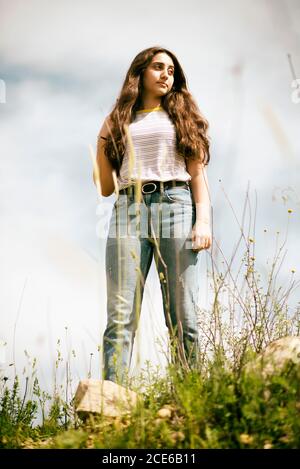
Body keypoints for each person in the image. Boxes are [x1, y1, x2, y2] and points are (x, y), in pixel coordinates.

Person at [94, 46, 212, 385]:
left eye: (171, 70)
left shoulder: (181, 116)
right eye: (158, 67)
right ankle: (111, 397)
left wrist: (202, 221)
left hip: (176, 205)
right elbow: (105, 187)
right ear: (141, 72)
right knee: (120, 314)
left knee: (182, 313)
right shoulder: (119, 119)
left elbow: (198, 175)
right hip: (127, 209)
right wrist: (102, 144)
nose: (166, 74)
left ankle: (189, 393)